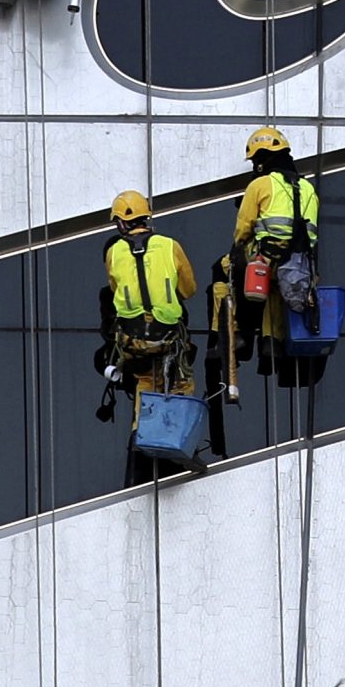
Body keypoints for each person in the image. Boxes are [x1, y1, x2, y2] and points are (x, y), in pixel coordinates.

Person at [97, 189, 197, 485]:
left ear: (120, 224)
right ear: (147, 217)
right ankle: (175, 439)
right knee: (180, 383)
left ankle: (143, 441)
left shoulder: (113, 252)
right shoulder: (170, 246)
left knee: (145, 384)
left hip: (134, 343)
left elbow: (115, 290)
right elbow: (189, 290)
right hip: (167, 337)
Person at [232, 125, 322, 371]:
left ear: (261, 160)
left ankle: (241, 333)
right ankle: (271, 341)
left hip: (266, 258)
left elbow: (243, 229)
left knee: (227, 269)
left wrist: (238, 249)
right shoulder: (308, 188)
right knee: (273, 291)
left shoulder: (260, 185)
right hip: (298, 264)